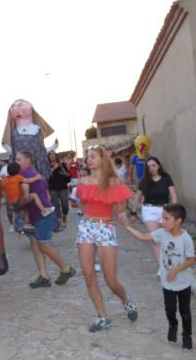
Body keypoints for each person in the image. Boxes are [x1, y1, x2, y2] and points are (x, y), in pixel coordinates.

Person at [76, 145, 137, 332]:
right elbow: (83, 206)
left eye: (92, 156)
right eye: (87, 157)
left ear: (103, 159)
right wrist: (89, 223)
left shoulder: (115, 182)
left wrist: (128, 219)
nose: (88, 159)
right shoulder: (84, 181)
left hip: (106, 228)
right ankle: (103, 317)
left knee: (111, 280)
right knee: (88, 275)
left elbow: (120, 211)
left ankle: (126, 301)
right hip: (86, 227)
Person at [120, 204, 193, 349]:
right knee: (170, 309)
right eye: (162, 218)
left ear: (178, 221)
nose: (162, 221)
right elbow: (143, 236)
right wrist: (127, 226)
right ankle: (173, 325)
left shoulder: (186, 239)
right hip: (167, 283)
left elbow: (191, 259)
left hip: (183, 282)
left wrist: (175, 271)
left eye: (166, 218)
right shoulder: (162, 233)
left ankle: (187, 335)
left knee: (185, 312)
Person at [15, 150, 76, 288]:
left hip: (42, 216)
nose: (16, 162)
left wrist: (16, 206)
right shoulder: (37, 174)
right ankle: (44, 276)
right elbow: (47, 196)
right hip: (39, 215)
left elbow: (25, 197)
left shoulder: (24, 175)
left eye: (19, 160)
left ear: (28, 161)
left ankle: (66, 269)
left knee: (43, 245)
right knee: (35, 245)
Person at [130, 156, 177, 266]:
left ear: (158, 165)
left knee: (166, 238)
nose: (151, 168)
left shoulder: (166, 177)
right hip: (149, 211)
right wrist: (133, 212)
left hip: (165, 211)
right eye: (149, 167)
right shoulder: (145, 180)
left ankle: (169, 264)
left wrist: (175, 210)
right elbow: (137, 197)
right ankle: (163, 268)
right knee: (155, 239)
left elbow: (173, 194)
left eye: (153, 165)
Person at [2, 99, 59, 180]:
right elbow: (7, 146)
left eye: (21, 104)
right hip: (21, 168)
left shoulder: (37, 130)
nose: (17, 107)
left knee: (39, 187)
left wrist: (52, 147)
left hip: (39, 167)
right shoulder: (13, 133)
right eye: (15, 106)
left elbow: (41, 149)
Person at [2, 162, 53, 233]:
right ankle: (43, 210)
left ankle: (20, 225)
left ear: (7, 171)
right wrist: (37, 177)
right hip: (18, 200)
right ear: (18, 171)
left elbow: (2, 189)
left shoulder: (4, 179)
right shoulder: (18, 177)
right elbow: (28, 180)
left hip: (11, 202)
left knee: (23, 210)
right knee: (34, 195)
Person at [48, 151, 71, 231]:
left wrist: (63, 171)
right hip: (52, 188)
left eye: (54, 154)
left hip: (62, 187)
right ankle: (60, 222)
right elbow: (47, 176)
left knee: (65, 205)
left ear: (56, 156)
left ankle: (64, 216)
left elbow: (68, 176)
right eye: (51, 155)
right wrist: (54, 168)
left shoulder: (62, 164)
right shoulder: (47, 166)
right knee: (56, 206)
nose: (53, 156)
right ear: (48, 156)